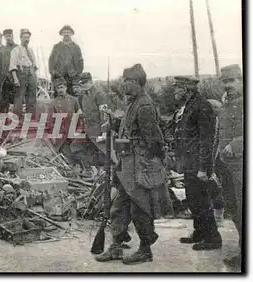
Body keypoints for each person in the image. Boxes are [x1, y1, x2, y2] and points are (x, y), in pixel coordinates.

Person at [95, 63, 166, 265]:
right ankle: (116, 247)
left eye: (128, 81)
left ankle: (145, 250)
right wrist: (114, 125)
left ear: (137, 82)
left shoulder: (144, 106)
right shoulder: (133, 103)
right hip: (127, 165)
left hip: (138, 165)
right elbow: (130, 128)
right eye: (124, 80)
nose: (124, 84)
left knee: (140, 209)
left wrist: (139, 154)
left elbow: (152, 139)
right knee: (119, 207)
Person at [172, 76, 222, 251]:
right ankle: (200, 232)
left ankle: (213, 238)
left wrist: (203, 168)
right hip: (190, 163)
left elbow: (206, 140)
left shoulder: (201, 106)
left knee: (201, 201)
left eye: (177, 88)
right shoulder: (190, 106)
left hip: (198, 165)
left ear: (187, 89)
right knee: (193, 200)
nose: (174, 92)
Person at [214, 64, 243, 268]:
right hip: (226, 166)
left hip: (243, 165)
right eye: (224, 82)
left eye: (231, 81)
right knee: (233, 209)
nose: (227, 85)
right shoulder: (226, 104)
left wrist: (236, 144)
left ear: (241, 80)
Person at [9, 29, 38, 119]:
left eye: (28, 38)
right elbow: (12, 65)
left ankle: (31, 118)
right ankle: (17, 119)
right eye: (25, 37)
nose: (26, 39)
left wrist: (35, 77)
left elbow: (34, 65)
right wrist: (15, 79)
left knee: (32, 97)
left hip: (31, 74)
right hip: (21, 74)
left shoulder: (30, 50)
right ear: (20, 38)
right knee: (19, 97)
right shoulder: (16, 50)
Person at [50, 76, 80, 162]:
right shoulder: (54, 103)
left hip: (74, 133)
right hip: (62, 134)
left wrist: (79, 131)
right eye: (58, 88)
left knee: (77, 154)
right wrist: (53, 135)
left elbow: (79, 116)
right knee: (66, 158)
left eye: (62, 87)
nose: (60, 90)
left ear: (66, 88)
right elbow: (52, 121)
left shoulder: (74, 100)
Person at [48, 25, 84, 95]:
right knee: (58, 98)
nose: (66, 34)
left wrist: (77, 74)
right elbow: (51, 61)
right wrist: (53, 72)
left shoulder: (76, 47)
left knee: (72, 98)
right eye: (64, 32)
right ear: (61, 34)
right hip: (59, 77)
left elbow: (80, 62)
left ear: (71, 34)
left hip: (72, 78)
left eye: (68, 32)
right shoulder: (57, 47)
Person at [207, 98, 225, 227]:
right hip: (214, 159)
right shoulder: (211, 122)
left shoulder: (223, 121)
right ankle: (217, 218)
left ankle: (219, 218)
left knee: (219, 189)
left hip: (223, 159)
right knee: (214, 188)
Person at [0, 29, 19, 113]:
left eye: (9, 35)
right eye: (6, 36)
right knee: (3, 100)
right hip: (4, 78)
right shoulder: (2, 49)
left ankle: (17, 118)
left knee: (16, 99)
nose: (8, 38)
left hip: (15, 77)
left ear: (12, 36)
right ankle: (4, 118)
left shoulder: (17, 47)